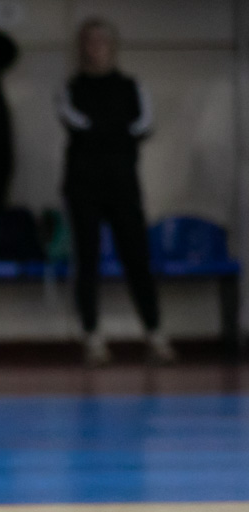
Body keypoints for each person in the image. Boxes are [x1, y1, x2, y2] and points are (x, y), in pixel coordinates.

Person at [56, 18, 176, 366]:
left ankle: (154, 332)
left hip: (123, 185)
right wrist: (115, 132)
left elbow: (143, 126)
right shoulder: (71, 88)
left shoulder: (131, 87)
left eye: (102, 41)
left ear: (112, 46)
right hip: (83, 186)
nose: (96, 48)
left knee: (137, 258)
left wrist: (107, 134)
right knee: (87, 260)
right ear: (82, 47)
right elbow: (78, 124)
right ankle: (92, 336)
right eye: (89, 41)